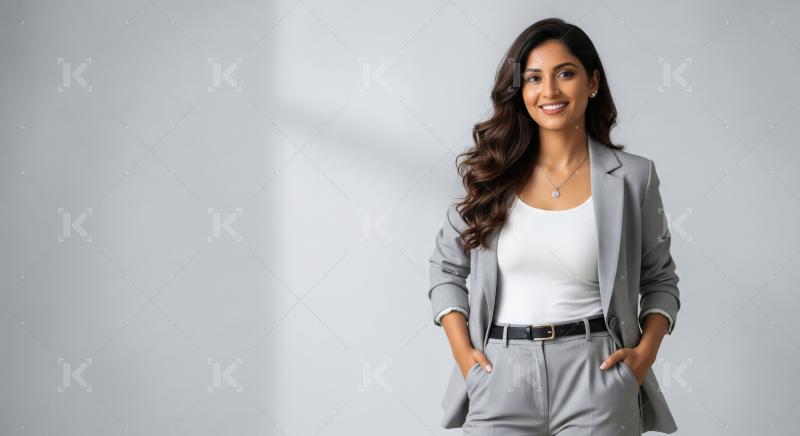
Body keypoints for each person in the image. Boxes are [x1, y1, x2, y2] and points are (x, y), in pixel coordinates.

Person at [428, 17, 681, 435]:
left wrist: (643, 357)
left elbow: (661, 279)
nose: (549, 91)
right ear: (520, 90)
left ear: (592, 81)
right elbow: (445, 269)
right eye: (533, 78)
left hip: (597, 373)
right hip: (501, 374)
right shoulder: (491, 175)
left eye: (565, 73)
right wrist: (463, 352)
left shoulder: (634, 178)